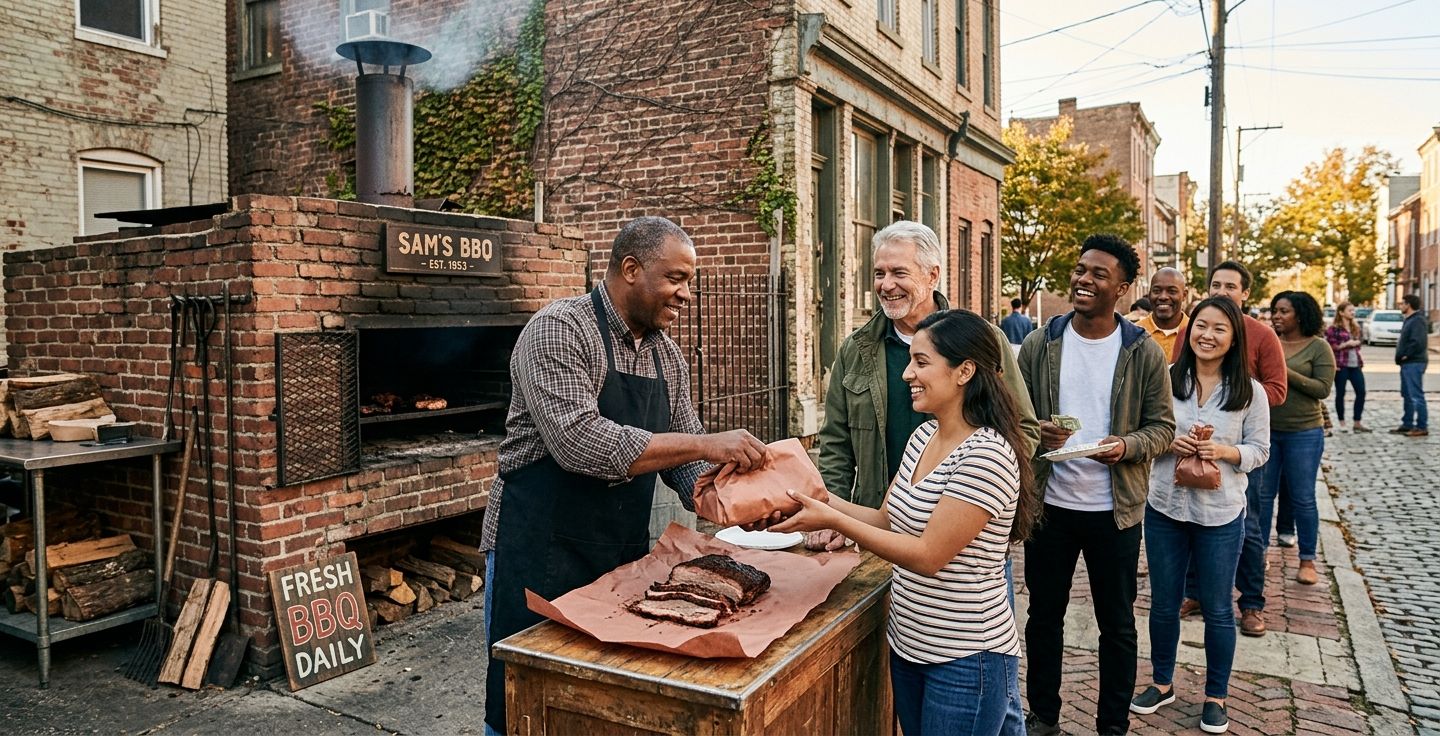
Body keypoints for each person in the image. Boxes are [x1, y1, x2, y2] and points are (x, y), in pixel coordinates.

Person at [480, 217, 770, 735]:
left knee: (604, 704)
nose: (686, 294)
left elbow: (687, 465)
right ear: (631, 269)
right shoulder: (559, 330)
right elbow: (579, 443)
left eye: (690, 282)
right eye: (676, 279)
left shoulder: (668, 356)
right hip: (539, 549)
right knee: (525, 705)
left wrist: (744, 505)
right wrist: (707, 443)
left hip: (619, 553)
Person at [773, 309, 1038, 736]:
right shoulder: (924, 437)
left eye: (921, 362)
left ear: (964, 371)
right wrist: (811, 499)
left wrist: (833, 519)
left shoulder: (987, 455)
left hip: (966, 660)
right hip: (911, 647)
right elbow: (887, 519)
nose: (906, 374)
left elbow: (928, 555)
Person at [1017, 234, 1176, 736]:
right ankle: (1043, 716)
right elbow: (1015, 418)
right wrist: (1038, 430)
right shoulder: (1041, 343)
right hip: (1051, 507)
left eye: (1098, 274)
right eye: (1081, 269)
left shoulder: (1141, 352)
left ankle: (1113, 724)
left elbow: (1163, 428)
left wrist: (1125, 446)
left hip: (1115, 510)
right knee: (1044, 617)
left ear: (1123, 288)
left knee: (1118, 624)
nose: (1084, 279)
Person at [814, 220, 1039, 548]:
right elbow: (836, 442)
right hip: (876, 528)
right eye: (879, 273)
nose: (886, 285)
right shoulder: (856, 349)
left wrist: (970, 493)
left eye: (899, 273)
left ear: (932, 275)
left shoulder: (983, 341)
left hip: (964, 537)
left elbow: (1023, 429)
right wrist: (830, 514)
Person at [1130, 296, 1270, 735]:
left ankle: (1216, 695)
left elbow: (1261, 451)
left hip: (1221, 514)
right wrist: (1168, 443)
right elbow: (1143, 433)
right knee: (1164, 602)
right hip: (1165, 508)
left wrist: (1224, 451)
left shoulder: (1250, 391)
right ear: (1190, 331)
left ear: (1233, 338)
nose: (1207, 335)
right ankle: (1162, 682)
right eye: (1201, 326)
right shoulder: (1166, 380)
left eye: (1219, 329)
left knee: (1216, 607)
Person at [1177, 260, 1287, 638]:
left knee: (1249, 527)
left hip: (1236, 448)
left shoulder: (1262, 335)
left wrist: (1235, 400)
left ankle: (1252, 602)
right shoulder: (1194, 329)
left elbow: (1277, 388)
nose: (1222, 291)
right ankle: (1194, 594)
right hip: (1190, 451)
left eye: (1230, 286)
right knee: (1188, 519)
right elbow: (1181, 374)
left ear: (1245, 293)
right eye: (1216, 284)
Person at [1262, 291, 1335, 586]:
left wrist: (1284, 371)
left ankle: (1307, 560)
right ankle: (1259, 552)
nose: (1277, 316)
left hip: (1304, 433)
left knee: (1303, 497)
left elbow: (1322, 388)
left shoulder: (1319, 347)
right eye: (1274, 311)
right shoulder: (1269, 342)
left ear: (1301, 314)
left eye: (1284, 311)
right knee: (1262, 497)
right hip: (1266, 431)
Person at [1326, 302, 1369, 433]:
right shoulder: (1333, 329)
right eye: (1350, 310)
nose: (1353, 312)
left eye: (1353, 310)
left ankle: (1357, 422)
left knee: (1361, 392)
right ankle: (1342, 422)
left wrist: (1356, 343)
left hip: (1355, 365)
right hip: (1341, 365)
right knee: (1341, 394)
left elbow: (1358, 345)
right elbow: (1331, 347)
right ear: (1341, 312)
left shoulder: (1355, 327)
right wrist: (1346, 344)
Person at [1395, 294, 1430, 437]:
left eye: (1402, 304)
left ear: (1408, 305)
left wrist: (1406, 354)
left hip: (1414, 362)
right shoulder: (1409, 320)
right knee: (1407, 394)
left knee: (1416, 395)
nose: (1401, 306)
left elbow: (1418, 342)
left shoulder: (1418, 320)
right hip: (1407, 363)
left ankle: (1422, 426)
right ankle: (1407, 423)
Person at [1136, 268, 1189, 358]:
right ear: (1149, 295)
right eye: (1157, 291)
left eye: (1172, 291)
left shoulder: (1194, 332)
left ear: (1184, 295)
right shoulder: (1135, 333)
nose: (1163, 297)